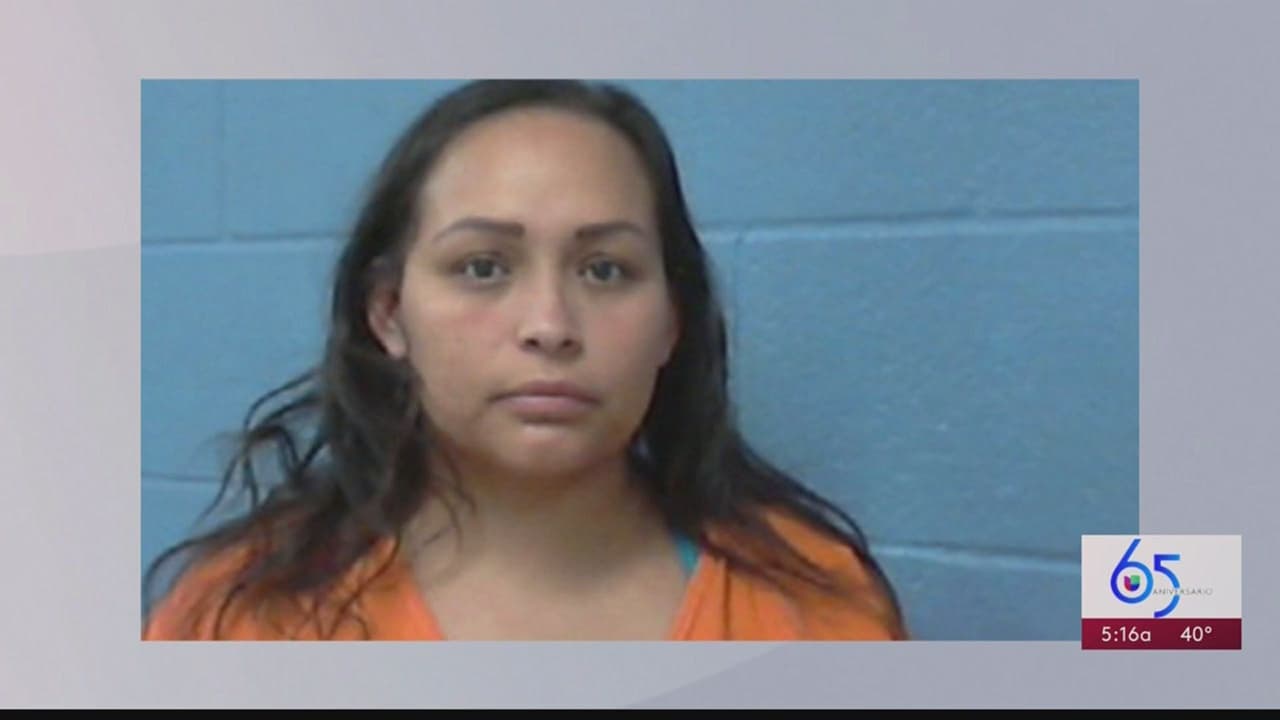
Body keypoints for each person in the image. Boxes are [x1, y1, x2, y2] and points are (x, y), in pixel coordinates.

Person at [143, 79, 908, 641]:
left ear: (671, 322)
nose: (550, 326)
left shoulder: (818, 610)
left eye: (605, 270)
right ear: (389, 314)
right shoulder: (239, 618)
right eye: (483, 267)